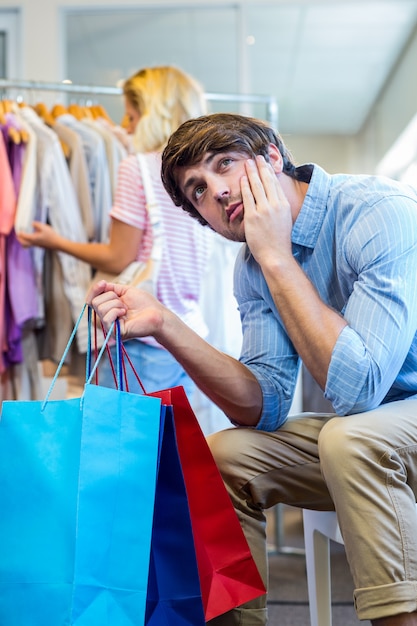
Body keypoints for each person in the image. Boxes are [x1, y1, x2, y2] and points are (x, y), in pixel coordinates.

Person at [87, 112, 417, 626]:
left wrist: (278, 257)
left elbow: (359, 392)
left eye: (226, 165)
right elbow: (261, 406)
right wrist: (167, 327)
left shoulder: (377, 212)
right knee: (224, 453)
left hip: (384, 425)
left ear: (272, 159)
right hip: (372, 434)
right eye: (197, 190)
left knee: (349, 438)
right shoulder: (251, 268)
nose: (216, 192)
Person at [17, 66, 210, 396]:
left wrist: (55, 241)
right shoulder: (203, 172)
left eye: (131, 117)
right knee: (170, 444)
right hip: (186, 337)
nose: (124, 126)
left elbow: (119, 255)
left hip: (140, 338)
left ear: (151, 115)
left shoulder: (138, 167)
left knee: (116, 445)